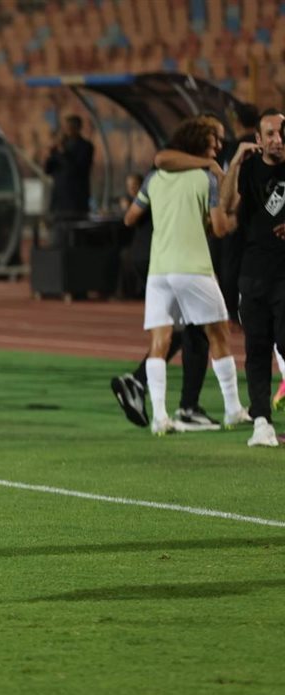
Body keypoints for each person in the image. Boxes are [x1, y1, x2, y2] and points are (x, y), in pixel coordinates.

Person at [124, 118, 248, 436]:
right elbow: (219, 227)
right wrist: (232, 221)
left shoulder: (155, 177)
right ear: (199, 143)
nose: (218, 147)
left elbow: (131, 216)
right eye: (213, 141)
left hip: (159, 270)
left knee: (160, 341)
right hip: (193, 267)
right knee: (219, 333)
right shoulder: (205, 178)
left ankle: (160, 417)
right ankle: (233, 409)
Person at [220, 109, 285, 447]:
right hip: (254, 275)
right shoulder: (247, 170)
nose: (278, 139)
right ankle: (262, 422)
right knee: (257, 349)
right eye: (270, 134)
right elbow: (226, 206)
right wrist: (234, 162)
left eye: (282, 133)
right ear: (258, 139)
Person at [44, 114, 95, 242]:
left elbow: (76, 170)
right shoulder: (61, 146)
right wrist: (50, 154)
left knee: (76, 237)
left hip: (76, 200)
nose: (66, 131)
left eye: (69, 127)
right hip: (59, 201)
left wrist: (63, 152)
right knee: (58, 237)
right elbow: (48, 170)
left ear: (77, 128)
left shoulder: (85, 147)